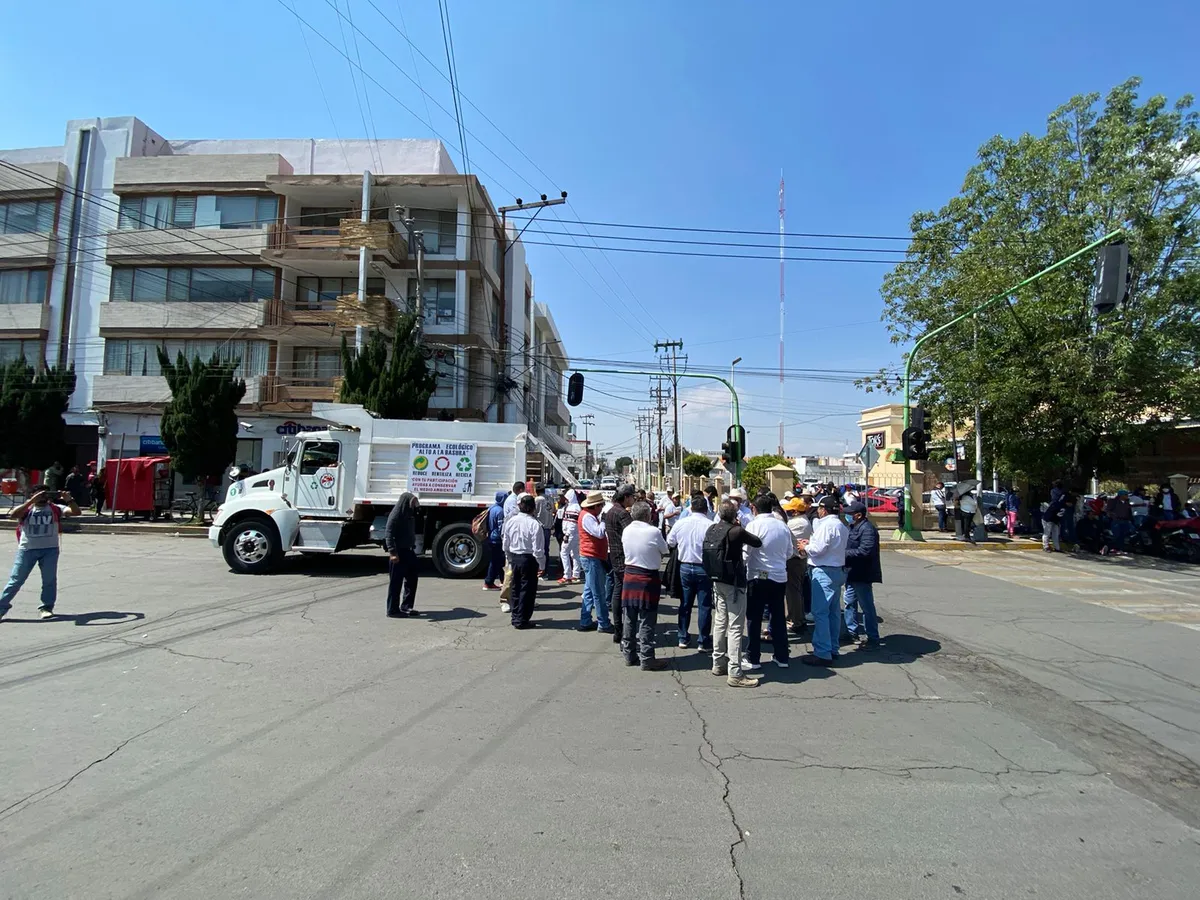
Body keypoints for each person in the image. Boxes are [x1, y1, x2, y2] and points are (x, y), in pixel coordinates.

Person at [704, 500, 763, 687]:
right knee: (736, 626)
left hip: (717, 579)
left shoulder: (712, 529)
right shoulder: (736, 531)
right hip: (734, 582)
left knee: (720, 622)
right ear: (735, 514)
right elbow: (757, 542)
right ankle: (735, 672)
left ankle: (718, 662)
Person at [1, 486, 81, 620]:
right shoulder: (27, 509)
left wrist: (70, 500)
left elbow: (76, 512)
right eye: (39, 494)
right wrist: (31, 501)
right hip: (27, 549)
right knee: (15, 580)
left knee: (49, 580)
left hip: (50, 549)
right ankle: (1, 607)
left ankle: (46, 607)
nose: (42, 497)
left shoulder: (55, 508)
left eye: (45, 495)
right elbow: (13, 515)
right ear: (32, 495)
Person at [743, 493, 796, 670]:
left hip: (758, 576)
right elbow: (789, 553)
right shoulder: (782, 526)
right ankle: (782, 656)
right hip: (779, 576)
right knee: (778, 616)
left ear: (754, 508)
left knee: (754, 617)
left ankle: (753, 657)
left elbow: (746, 552)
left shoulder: (753, 525)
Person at [619, 502, 671, 671]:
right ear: (648, 515)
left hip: (630, 575)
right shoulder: (653, 531)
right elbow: (665, 550)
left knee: (629, 618)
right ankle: (647, 658)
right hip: (647, 577)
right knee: (647, 620)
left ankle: (629, 654)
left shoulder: (627, 530)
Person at [798, 496, 849, 667]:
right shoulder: (841, 525)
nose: (818, 511)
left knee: (820, 613)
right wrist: (810, 543)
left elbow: (818, 549)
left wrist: (805, 547)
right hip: (837, 570)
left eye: (819, 508)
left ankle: (822, 652)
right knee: (833, 612)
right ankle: (832, 648)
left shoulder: (826, 525)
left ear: (824, 509)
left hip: (824, 571)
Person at [667, 495, 715, 650]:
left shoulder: (681, 523)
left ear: (691, 508)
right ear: (706, 509)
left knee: (685, 603)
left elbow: (670, 542)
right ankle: (703, 640)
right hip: (704, 568)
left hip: (685, 567)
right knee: (704, 605)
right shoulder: (711, 525)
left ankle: (683, 637)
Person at [503, 494, 545, 629]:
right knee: (527, 591)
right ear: (533, 508)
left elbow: (505, 543)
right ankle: (522, 619)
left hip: (515, 557)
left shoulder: (511, 521)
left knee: (516, 588)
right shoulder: (534, 524)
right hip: (528, 559)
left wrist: (509, 559)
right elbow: (538, 549)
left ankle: (515, 616)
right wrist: (542, 565)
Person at [843, 501, 881, 648]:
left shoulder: (867, 529)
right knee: (849, 603)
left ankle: (873, 638)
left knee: (866, 606)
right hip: (851, 572)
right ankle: (851, 632)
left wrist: (844, 554)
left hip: (862, 573)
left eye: (850, 514)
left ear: (858, 515)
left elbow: (865, 551)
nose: (847, 516)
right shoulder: (852, 527)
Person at [577, 491, 613, 633]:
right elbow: (598, 533)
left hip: (591, 556)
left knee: (589, 591)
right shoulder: (587, 517)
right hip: (592, 557)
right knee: (598, 592)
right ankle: (603, 623)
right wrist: (603, 521)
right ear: (596, 506)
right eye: (601, 505)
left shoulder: (588, 515)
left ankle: (585, 620)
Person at [604, 485, 636, 644]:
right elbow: (633, 533)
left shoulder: (610, 512)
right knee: (628, 595)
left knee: (617, 592)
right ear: (625, 497)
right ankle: (626, 631)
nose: (633, 500)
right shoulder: (622, 513)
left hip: (615, 556)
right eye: (632, 497)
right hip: (625, 557)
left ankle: (618, 628)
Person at [384, 492, 421, 617]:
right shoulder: (396, 515)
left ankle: (406, 606)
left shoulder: (409, 514)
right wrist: (392, 552)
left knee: (412, 579)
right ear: (405, 502)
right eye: (412, 502)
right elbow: (388, 534)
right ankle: (392, 610)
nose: (414, 505)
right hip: (398, 552)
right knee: (396, 582)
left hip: (409, 551)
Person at [782, 497, 812, 633]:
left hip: (794, 560)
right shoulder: (803, 520)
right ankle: (795, 617)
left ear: (795, 512)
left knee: (793, 592)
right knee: (795, 590)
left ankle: (797, 620)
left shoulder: (796, 523)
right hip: (798, 559)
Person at [557, 489, 582, 584]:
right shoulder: (574, 507)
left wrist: (567, 534)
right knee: (574, 554)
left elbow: (572, 523)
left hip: (571, 534)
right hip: (575, 534)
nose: (566, 500)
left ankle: (567, 575)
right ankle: (576, 574)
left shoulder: (573, 508)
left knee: (564, 552)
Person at [483, 490, 506, 590]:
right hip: (497, 539)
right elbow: (501, 527)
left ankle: (503, 580)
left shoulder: (492, 508)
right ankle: (489, 582)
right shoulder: (500, 511)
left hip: (491, 537)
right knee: (496, 561)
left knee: (499, 560)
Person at [534, 484, 556, 578]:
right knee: (546, 549)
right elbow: (554, 510)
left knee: (538, 549)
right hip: (548, 526)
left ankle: (540, 570)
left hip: (539, 526)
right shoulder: (550, 499)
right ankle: (545, 571)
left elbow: (533, 512)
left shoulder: (537, 500)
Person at [1105, 490, 1133, 554]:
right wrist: (1113, 516)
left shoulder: (1126, 502)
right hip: (1116, 520)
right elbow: (1108, 510)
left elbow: (1129, 511)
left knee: (1122, 536)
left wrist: (1130, 519)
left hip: (1125, 520)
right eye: (1125, 495)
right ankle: (1109, 548)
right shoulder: (1113, 501)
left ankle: (1120, 549)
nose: (1127, 496)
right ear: (1121, 495)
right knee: (1116, 535)